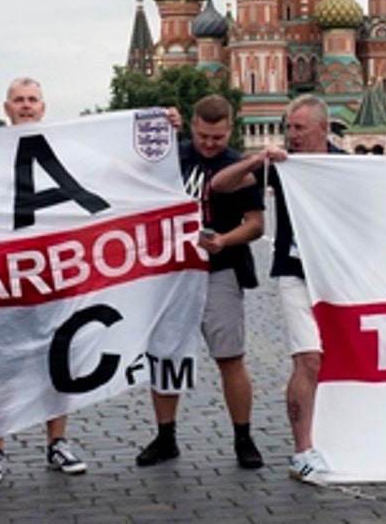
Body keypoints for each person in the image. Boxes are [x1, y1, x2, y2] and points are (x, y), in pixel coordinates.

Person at [210, 94, 345, 483]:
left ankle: (351, 436)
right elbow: (221, 185)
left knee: (350, 359)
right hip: (294, 272)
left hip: (338, 275)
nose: (293, 135)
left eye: (299, 128)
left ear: (323, 127)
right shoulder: (282, 168)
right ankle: (302, 450)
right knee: (308, 360)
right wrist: (259, 160)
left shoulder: (346, 165)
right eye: (289, 128)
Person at [135, 95, 265, 469]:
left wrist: (224, 241)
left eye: (218, 138)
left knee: (230, 356)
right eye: (204, 136)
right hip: (172, 272)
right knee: (164, 353)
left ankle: (243, 437)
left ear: (230, 130)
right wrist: (158, 124)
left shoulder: (239, 165)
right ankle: (165, 437)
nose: (210, 144)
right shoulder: (172, 157)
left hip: (220, 269)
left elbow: (256, 224)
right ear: (192, 126)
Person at [0, 77, 88, 484]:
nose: (26, 106)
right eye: (18, 100)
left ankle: (57, 442)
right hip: (1, 277)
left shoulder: (62, 148)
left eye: (32, 100)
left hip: (50, 275)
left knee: (55, 364)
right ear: (6, 108)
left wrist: (158, 125)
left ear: (44, 107)